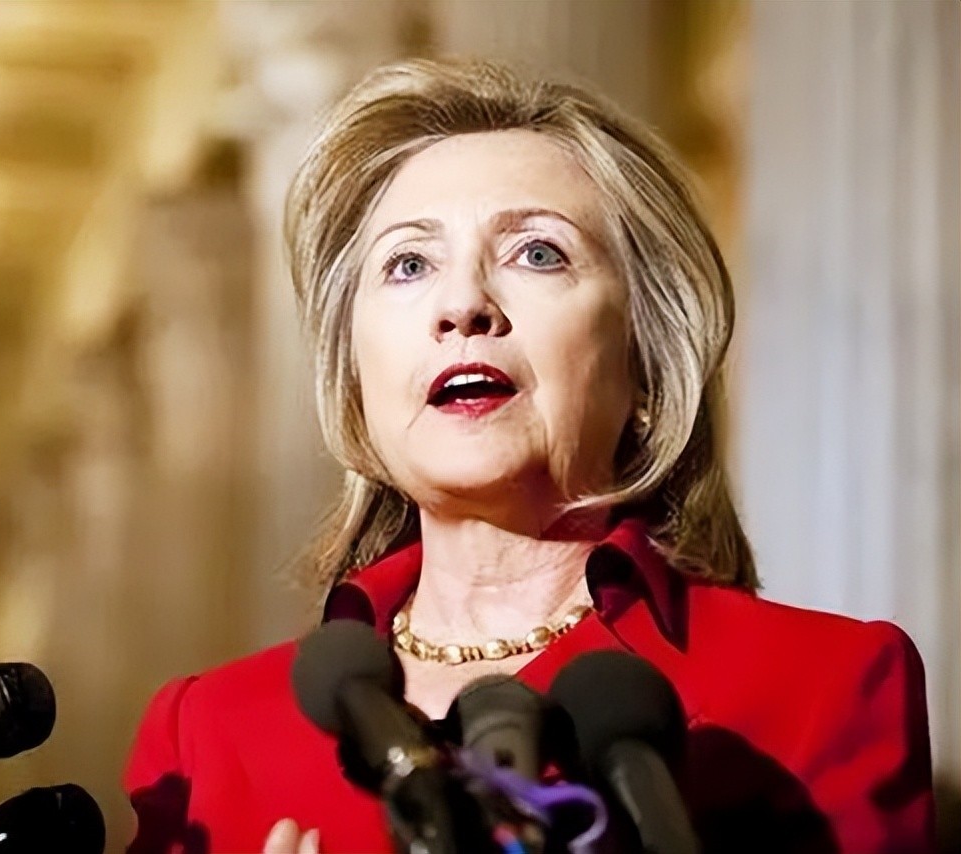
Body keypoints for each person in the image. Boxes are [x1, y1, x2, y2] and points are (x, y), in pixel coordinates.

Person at [122, 59, 935, 854]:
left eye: (538, 253)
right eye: (409, 264)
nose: (462, 305)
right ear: (355, 376)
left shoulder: (821, 688)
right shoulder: (210, 735)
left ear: (645, 358)